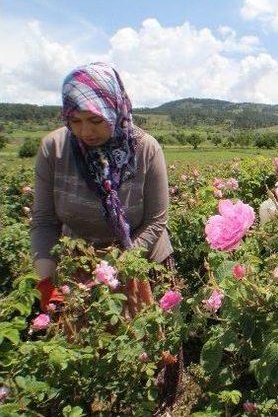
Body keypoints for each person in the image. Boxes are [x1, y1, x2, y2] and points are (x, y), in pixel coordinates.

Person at [31, 62, 174, 315]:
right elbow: (44, 221)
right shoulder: (54, 149)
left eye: (96, 120)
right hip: (80, 266)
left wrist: (111, 272)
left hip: (141, 261)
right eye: (75, 121)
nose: (85, 131)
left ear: (114, 109)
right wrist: (45, 282)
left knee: (146, 344)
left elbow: (155, 222)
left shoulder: (145, 149)